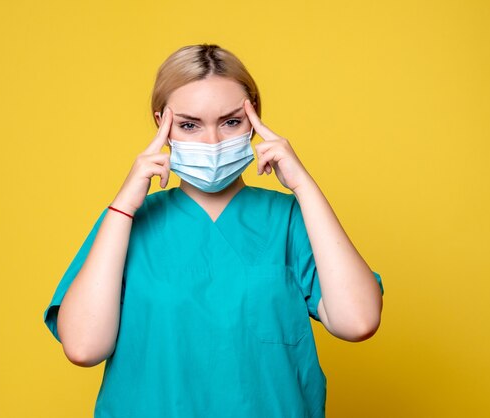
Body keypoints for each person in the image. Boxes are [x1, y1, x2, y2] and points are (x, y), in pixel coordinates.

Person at [43, 43, 384, 418]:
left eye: (231, 122)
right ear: (163, 124)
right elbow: (83, 348)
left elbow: (358, 321)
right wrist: (124, 203)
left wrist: (304, 186)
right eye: (189, 125)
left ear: (253, 120)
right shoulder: (127, 224)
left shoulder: (289, 220)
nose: (212, 143)